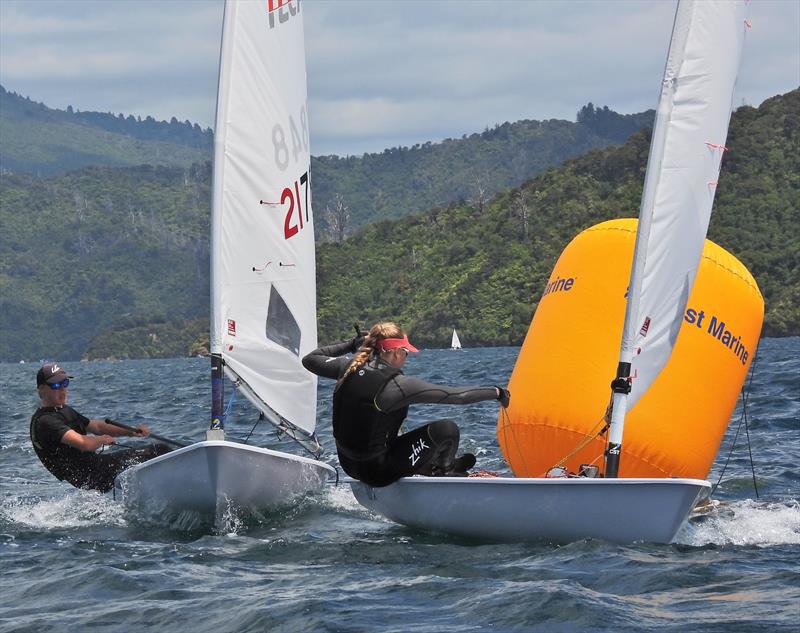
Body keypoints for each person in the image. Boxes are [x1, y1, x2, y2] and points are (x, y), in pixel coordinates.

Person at [302, 322, 511, 487]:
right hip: (377, 473)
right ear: (394, 353)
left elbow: (310, 359)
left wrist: (351, 344)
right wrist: (497, 392)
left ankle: (429, 465)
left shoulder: (346, 367)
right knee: (446, 429)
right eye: (406, 352)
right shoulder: (397, 386)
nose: (406, 357)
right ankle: (445, 471)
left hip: (349, 465)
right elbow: (459, 396)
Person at [30, 362, 171, 492]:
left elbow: (96, 426)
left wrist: (131, 431)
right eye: (55, 385)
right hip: (91, 476)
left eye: (65, 383)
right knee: (159, 450)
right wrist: (102, 440)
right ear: (41, 389)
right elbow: (84, 443)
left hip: (96, 468)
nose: (62, 389)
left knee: (156, 453)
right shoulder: (45, 421)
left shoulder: (62, 410)